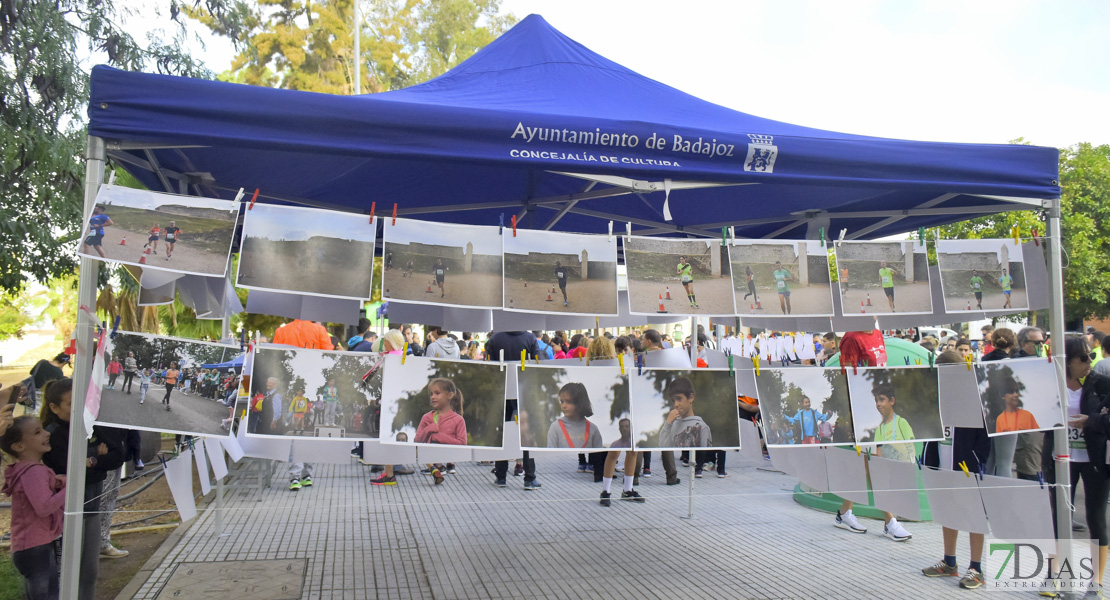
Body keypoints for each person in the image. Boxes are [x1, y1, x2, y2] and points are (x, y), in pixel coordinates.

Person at [40, 379, 126, 600]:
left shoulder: (91, 425)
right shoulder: (53, 434)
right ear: (54, 407)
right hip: (65, 516)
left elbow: (117, 457)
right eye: (71, 404)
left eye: (82, 402)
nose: (79, 409)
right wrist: (95, 454)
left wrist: (91, 460)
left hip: (92, 509)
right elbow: (65, 468)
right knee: (67, 573)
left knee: (89, 573)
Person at [1043, 335, 1110, 597]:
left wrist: (1091, 421)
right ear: (1067, 361)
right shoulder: (1051, 384)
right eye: (1083, 358)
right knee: (1058, 519)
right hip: (1060, 461)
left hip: (1095, 462)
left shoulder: (1102, 384)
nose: (1089, 362)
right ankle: (1053, 577)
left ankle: (1097, 581)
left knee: (1096, 518)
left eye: (1091, 356)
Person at [921, 350, 992, 589]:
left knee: (973, 516)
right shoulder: (937, 398)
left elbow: (984, 439)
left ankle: (976, 568)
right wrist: (927, 460)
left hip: (965, 468)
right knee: (948, 511)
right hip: (943, 464)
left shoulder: (973, 398)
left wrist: (973, 461)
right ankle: (949, 561)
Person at [1, 415, 66, 600]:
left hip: (32, 545)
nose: (46, 433)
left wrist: (56, 483)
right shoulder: (34, 472)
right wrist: (69, 488)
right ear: (19, 446)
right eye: (38, 432)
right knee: (47, 594)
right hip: (35, 547)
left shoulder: (30, 469)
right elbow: (44, 507)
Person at [588, 336, 643, 506]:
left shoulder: (592, 366)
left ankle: (609, 490)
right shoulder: (618, 363)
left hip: (613, 410)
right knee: (626, 450)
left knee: (617, 451)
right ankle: (624, 489)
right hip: (622, 408)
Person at [487, 331, 542, 490]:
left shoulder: (495, 338)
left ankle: (501, 476)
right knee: (526, 433)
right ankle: (529, 478)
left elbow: (489, 363)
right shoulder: (530, 338)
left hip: (501, 391)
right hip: (523, 390)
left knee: (502, 433)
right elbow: (539, 363)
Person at [371, 330, 408, 486]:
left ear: (390, 342)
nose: (383, 343)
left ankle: (389, 475)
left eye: (385, 341)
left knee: (387, 437)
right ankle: (433, 467)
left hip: (390, 402)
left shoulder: (389, 358)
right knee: (404, 436)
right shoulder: (401, 355)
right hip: (400, 402)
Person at [413, 378, 466, 484]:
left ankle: (443, 467)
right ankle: (435, 467)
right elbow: (417, 441)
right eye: (431, 394)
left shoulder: (458, 420)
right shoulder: (426, 417)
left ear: (450, 395)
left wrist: (439, 437)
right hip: (430, 460)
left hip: (452, 479)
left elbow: (462, 444)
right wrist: (428, 430)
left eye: (437, 393)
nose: (433, 397)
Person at [659, 377, 712, 448]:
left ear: (691, 398)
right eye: (673, 401)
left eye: (679, 399)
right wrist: (668, 424)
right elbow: (663, 452)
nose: (676, 404)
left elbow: (707, 456)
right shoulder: (671, 426)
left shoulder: (702, 427)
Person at [547, 382, 603, 449]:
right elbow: (551, 455)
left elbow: (599, 456)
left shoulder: (593, 429)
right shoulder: (555, 427)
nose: (563, 406)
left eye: (568, 401)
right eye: (562, 401)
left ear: (580, 403)